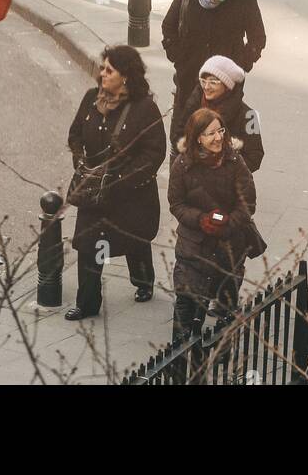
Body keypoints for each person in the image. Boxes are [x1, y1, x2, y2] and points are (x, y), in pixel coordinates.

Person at [65, 44, 167, 321]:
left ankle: (143, 280)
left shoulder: (145, 108)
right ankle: (87, 304)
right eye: (102, 68)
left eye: (109, 70)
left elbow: (154, 153)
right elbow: (75, 135)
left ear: (126, 76)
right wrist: (81, 162)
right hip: (94, 192)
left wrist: (123, 178)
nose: (102, 74)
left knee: (134, 240)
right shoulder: (90, 99)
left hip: (130, 196)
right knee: (88, 245)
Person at [169, 108, 259, 340]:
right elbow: (176, 204)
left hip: (228, 246)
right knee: (186, 302)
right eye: (211, 133)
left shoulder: (235, 161)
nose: (218, 137)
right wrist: (201, 219)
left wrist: (228, 224)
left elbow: (247, 203)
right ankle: (178, 360)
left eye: (220, 130)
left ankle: (222, 352)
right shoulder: (181, 165)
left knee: (226, 307)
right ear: (197, 137)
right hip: (193, 247)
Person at [162, 0, 266, 131]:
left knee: (221, 130)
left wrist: (242, 64)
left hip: (226, 82)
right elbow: (169, 26)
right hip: (190, 75)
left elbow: (257, 37)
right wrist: (178, 57)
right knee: (184, 129)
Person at [170, 56, 264, 173]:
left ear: (227, 85)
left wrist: (225, 171)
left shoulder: (250, 116)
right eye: (203, 81)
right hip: (192, 180)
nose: (206, 87)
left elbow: (255, 156)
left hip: (227, 186)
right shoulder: (193, 105)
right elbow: (177, 136)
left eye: (213, 82)